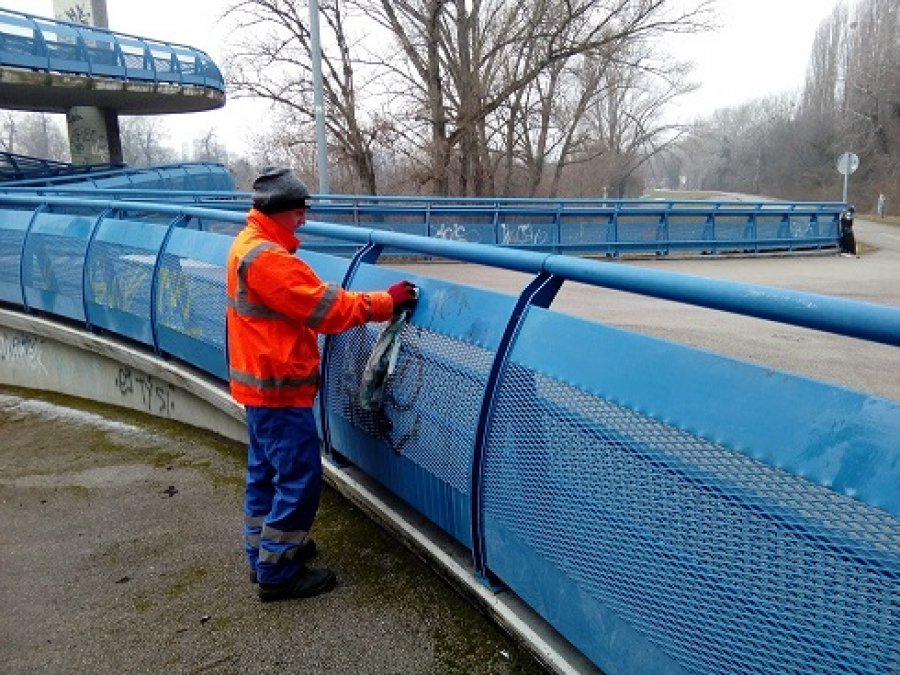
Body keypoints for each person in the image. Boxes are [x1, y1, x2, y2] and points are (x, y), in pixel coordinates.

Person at [226, 167, 418, 602]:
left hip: (260, 387)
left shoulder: (247, 245)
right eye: (299, 213)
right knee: (299, 477)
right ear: (279, 213)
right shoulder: (269, 259)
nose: (305, 221)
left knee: (266, 473)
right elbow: (326, 310)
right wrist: (386, 302)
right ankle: (278, 573)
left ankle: (265, 553)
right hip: (278, 389)